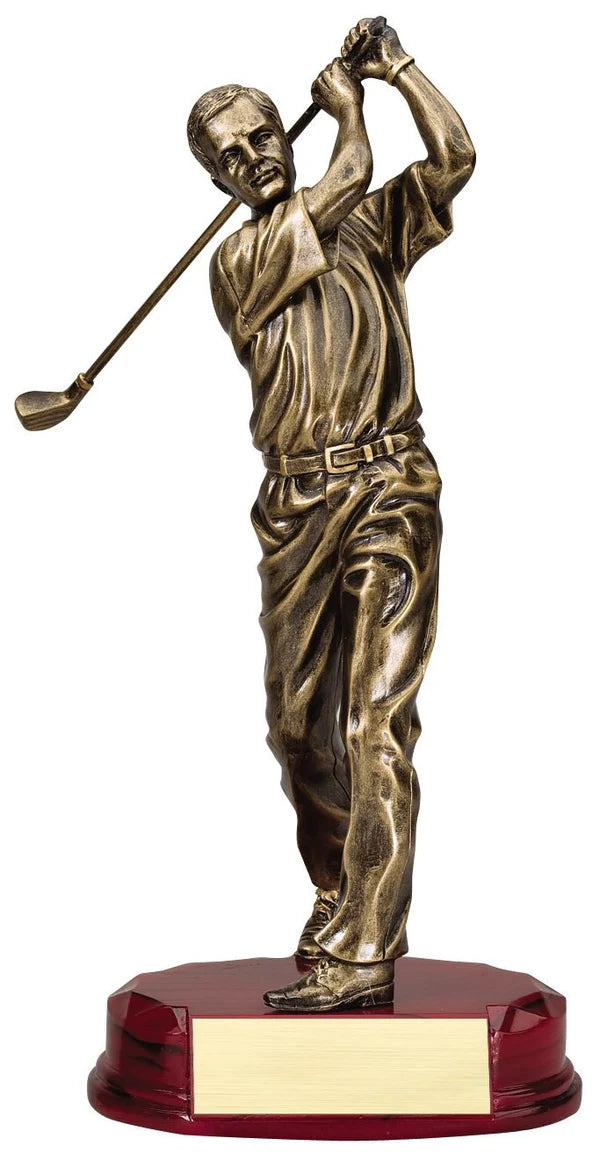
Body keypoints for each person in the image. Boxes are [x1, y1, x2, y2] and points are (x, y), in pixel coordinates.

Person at [187, 17, 475, 1011]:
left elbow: (455, 157)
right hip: (297, 510)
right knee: (299, 728)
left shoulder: (370, 226)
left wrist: (399, 71)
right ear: (218, 182)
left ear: (285, 130)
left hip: (391, 486)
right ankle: (340, 896)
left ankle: (365, 947)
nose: (251, 158)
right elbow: (348, 171)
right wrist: (351, 111)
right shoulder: (242, 262)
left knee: (374, 719)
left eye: (261, 136)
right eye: (229, 157)